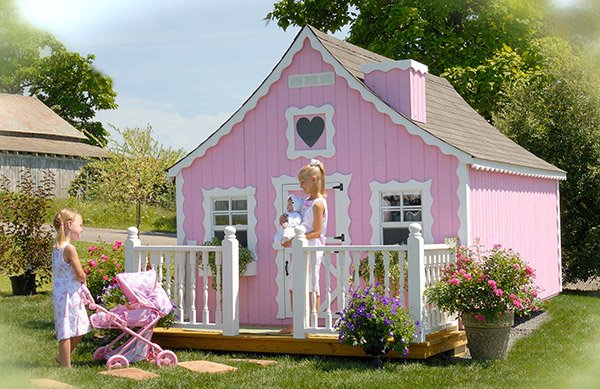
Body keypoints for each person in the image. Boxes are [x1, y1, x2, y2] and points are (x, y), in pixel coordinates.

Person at [281, 159, 328, 320]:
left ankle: (312, 320)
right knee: (294, 282)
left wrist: (296, 240)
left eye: (303, 182)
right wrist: (286, 221)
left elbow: (317, 231)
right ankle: (297, 321)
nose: (301, 186)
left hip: (311, 247)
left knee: (311, 283)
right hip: (299, 245)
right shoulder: (305, 202)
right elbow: (299, 220)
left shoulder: (318, 204)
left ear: (314, 179)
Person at [52, 208, 91, 368]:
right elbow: (80, 274)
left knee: (74, 326)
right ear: (69, 224)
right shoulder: (69, 249)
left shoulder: (56, 247)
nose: (81, 229)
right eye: (80, 225)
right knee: (68, 329)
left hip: (61, 292)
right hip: (70, 294)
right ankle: (66, 366)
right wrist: (85, 278)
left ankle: (62, 358)